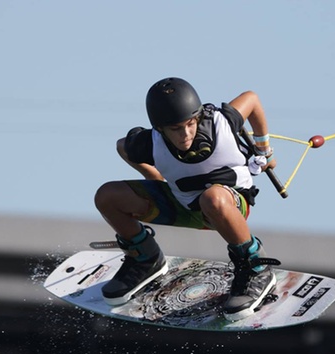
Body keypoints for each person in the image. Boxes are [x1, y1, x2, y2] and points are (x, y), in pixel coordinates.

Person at [94, 77, 278, 320]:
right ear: (160, 128)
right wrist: (155, 178)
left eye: (190, 124)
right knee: (107, 196)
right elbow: (122, 147)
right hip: (184, 205)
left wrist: (263, 149)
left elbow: (252, 99)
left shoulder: (222, 121)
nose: (185, 134)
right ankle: (145, 259)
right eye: (175, 129)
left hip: (229, 205)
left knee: (212, 198)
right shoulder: (151, 141)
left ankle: (255, 267)